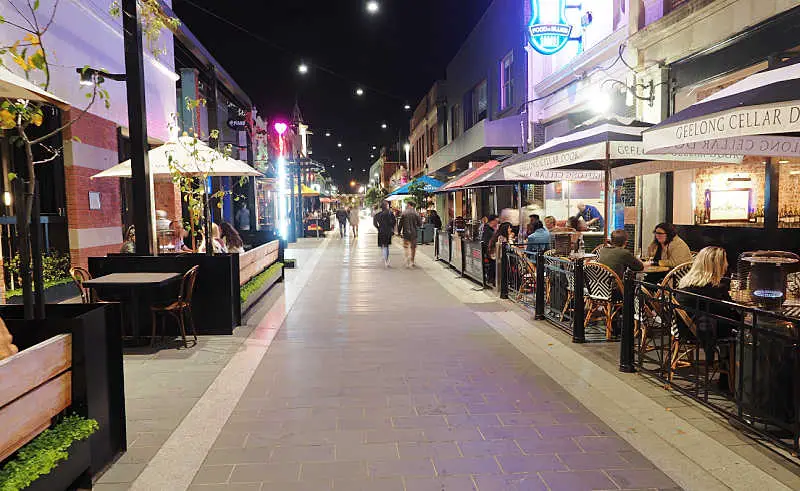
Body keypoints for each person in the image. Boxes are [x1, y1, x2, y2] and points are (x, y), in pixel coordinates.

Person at [676, 246, 738, 391]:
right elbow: (727, 313)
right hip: (700, 332)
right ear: (717, 265)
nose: (727, 264)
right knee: (740, 332)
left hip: (684, 328)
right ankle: (730, 381)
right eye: (725, 261)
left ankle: (727, 379)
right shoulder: (712, 288)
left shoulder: (688, 282)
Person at [397, 201, 423, 268]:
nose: (406, 206)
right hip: (414, 233)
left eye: (406, 204)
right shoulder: (416, 213)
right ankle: (412, 261)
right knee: (413, 247)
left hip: (406, 232)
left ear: (409, 205)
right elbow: (420, 224)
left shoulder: (404, 213)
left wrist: (399, 232)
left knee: (406, 246)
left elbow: (400, 224)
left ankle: (407, 257)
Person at [373, 200, 396, 267]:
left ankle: (385, 258)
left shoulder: (378, 214)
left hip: (381, 231)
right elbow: (394, 222)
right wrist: (391, 227)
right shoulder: (390, 213)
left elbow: (374, 223)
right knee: (386, 245)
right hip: (388, 231)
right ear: (386, 206)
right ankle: (386, 260)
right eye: (388, 205)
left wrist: (378, 227)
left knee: (383, 245)